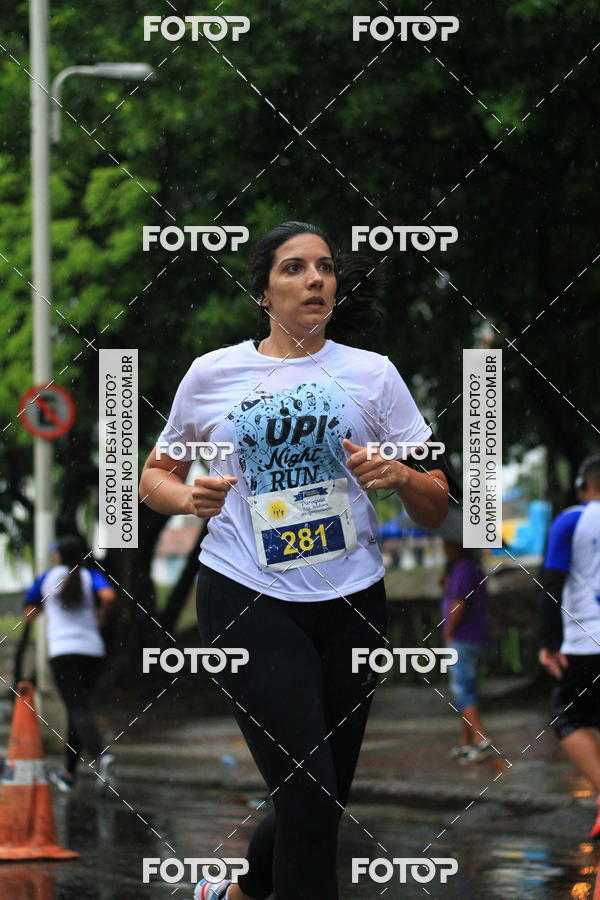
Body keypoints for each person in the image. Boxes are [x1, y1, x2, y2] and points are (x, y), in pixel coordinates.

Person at [139, 221, 451, 900]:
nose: (315, 279)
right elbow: (151, 477)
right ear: (262, 293)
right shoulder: (212, 373)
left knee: (318, 798)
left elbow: (438, 503)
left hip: (352, 600)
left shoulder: (374, 375)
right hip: (245, 596)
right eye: (294, 268)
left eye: (325, 268)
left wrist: (401, 475)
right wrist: (188, 497)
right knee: (310, 797)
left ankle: (236, 892)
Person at [23, 535, 117, 792]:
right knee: (80, 709)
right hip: (93, 651)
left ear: (58, 556)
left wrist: (46, 606)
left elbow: (29, 614)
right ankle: (69, 773)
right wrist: (101, 617)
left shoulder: (47, 578)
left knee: (77, 709)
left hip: (63, 651)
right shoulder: (88, 576)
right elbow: (108, 596)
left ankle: (101, 757)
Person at [538, 454, 600, 840]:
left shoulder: (571, 520)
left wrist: (548, 643)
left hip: (585, 642)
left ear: (584, 484)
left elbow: (551, 584)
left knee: (567, 719)